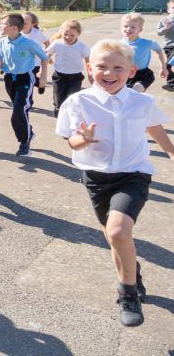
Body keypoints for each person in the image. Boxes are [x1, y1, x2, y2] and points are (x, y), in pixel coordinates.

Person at [56, 39, 174, 327]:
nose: (109, 73)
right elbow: (71, 140)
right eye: (102, 67)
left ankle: (128, 294)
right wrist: (83, 139)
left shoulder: (142, 102)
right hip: (96, 178)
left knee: (119, 231)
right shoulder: (77, 102)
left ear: (131, 71)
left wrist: (172, 152)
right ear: (89, 68)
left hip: (133, 174)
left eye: (118, 68)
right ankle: (133, 271)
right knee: (115, 237)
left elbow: (154, 127)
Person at [0, 14, 48, 157]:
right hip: (9, 79)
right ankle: (28, 131)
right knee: (21, 110)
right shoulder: (2, 42)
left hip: (25, 79)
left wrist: (43, 75)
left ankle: (24, 143)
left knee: (18, 112)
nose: (0, 26)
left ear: (14, 28)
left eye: (3, 24)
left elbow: (44, 57)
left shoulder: (28, 43)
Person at [46, 19, 90, 117]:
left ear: (78, 34)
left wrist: (90, 75)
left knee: (72, 98)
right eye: (65, 34)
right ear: (61, 32)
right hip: (59, 76)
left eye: (72, 35)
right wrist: (42, 70)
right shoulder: (57, 43)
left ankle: (70, 117)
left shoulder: (82, 46)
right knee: (59, 99)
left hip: (75, 77)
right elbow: (47, 55)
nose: (68, 37)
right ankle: (58, 110)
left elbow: (88, 60)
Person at [120, 13, 167, 92]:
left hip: (143, 75)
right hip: (125, 74)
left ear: (140, 29)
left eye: (133, 27)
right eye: (125, 26)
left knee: (135, 91)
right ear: (121, 27)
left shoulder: (147, 43)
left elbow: (159, 50)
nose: (128, 29)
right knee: (122, 94)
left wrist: (163, 67)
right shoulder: (118, 45)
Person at [22, 12, 48, 92]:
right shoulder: (18, 33)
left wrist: (47, 54)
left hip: (36, 62)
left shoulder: (37, 33)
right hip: (24, 62)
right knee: (27, 82)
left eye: (25, 23)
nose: (22, 24)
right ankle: (28, 96)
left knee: (36, 80)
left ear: (33, 24)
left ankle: (41, 85)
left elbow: (47, 43)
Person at [156, 0, 174, 91]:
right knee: (170, 64)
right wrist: (166, 28)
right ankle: (171, 84)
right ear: (168, 10)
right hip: (170, 46)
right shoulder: (165, 20)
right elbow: (159, 33)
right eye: (173, 7)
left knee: (171, 64)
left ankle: (171, 84)